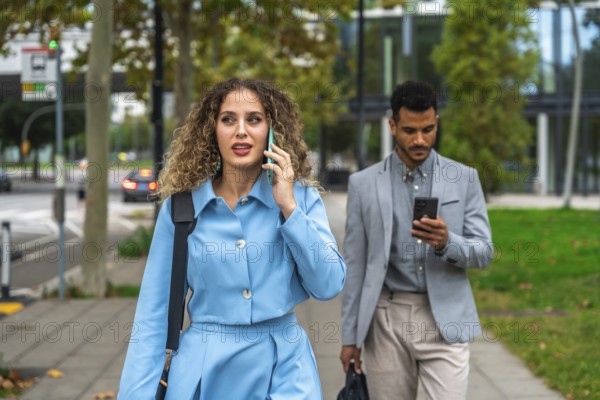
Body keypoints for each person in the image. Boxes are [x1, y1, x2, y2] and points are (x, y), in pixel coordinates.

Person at [118, 78, 346, 399]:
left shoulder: (300, 199)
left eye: (254, 119)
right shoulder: (182, 209)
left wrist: (289, 208)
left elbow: (328, 285)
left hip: (285, 374)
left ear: (272, 130)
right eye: (228, 119)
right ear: (212, 130)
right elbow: (152, 319)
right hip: (205, 373)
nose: (241, 130)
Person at [339, 80, 493, 399]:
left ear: (436, 123)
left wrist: (447, 242)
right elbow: (355, 267)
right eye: (410, 130)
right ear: (393, 125)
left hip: (445, 319)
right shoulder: (363, 184)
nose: (420, 140)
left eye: (428, 129)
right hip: (386, 319)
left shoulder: (465, 179)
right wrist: (350, 337)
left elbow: (484, 252)